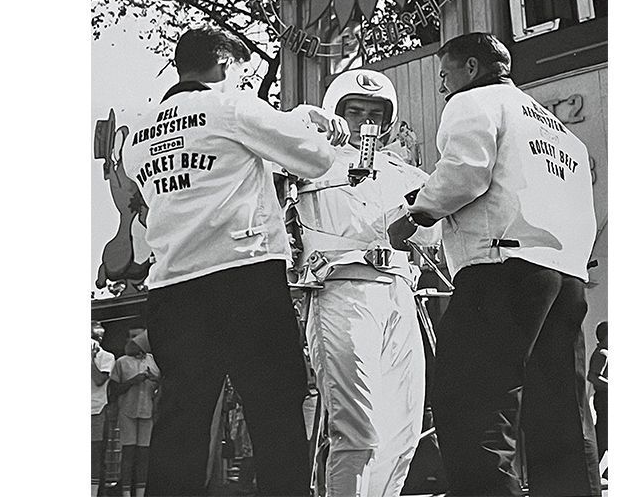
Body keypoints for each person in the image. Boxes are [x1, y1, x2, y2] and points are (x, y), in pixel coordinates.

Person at [119, 26, 349, 496]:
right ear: (225, 65)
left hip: (172, 288)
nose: (242, 81)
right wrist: (307, 122)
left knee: (181, 418)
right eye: (241, 72)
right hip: (243, 277)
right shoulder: (233, 105)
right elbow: (317, 159)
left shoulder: (136, 135)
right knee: (275, 411)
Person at [388, 32, 601, 496]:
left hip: (501, 265)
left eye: (445, 74)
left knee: (476, 405)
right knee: (562, 410)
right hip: (565, 276)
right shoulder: (560, 132)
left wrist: (415, 214)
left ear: (470, 68)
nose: (442, 85)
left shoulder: (474, 102)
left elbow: (465, 172)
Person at [295, 69, 440, 496]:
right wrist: (307, 128)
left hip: (399, 293)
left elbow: (439, 225)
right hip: (340, 290)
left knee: (403, 430)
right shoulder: (309, 161)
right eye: (354, 111)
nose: (364, 121)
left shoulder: (403, 172)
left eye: (375, 113)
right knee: (357, 428)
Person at [109, 327, 161, 497]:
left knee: (144, 454)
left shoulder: (154, 361)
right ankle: (125, 493)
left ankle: (140, 493)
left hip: (148, 410)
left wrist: (155, 380)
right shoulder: (121, 362)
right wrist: (133, 381)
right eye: (132, 337)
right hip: (127, 411)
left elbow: (163, 384)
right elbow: (114, 388)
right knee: (129, 452)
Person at [91, 321, 115, 497]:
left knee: (94, 455)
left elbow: (100, 380)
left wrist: (90, 362)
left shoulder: (106, 357)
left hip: (96, 411)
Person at [588, 321, 608, 476]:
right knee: (602, 436)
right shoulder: (602, 354)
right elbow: (593, 376)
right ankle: (589, 469)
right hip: (604, 400)